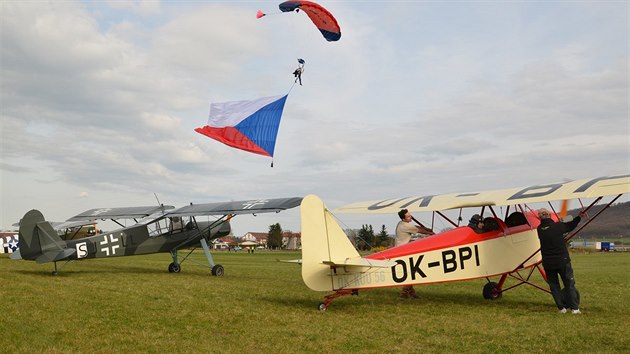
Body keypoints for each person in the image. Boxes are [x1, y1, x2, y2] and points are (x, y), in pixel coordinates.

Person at [537, 208, 584, 314]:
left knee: (554, 286)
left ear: (540, 217)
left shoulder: (539, 229)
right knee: (569, 284)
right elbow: (571, 225)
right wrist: (579, 217)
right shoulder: (558, 226)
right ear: (549, 215)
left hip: (548, 263)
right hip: (562, 261)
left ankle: (561, 308)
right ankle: (575, 309)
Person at [395, 208, 434, 299]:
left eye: (410, 215)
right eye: (408, 216)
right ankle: (404, 293)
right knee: (409, 271)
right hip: (403, 251)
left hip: (401, 249)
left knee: (411, 271)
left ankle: (411, 292)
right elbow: (419, 230)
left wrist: (426, 228)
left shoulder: (401, 223)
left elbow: (416, 227)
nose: (410, 217)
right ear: (404, 218)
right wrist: (430, 232)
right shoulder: (406, 226)